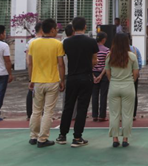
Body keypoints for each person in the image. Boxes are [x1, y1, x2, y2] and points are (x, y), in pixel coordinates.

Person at [56, 17, 99, 148]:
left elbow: (63, 61)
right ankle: (77, 137)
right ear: (85, 27)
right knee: (82, 108)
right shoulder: (91, 41)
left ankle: (62, 135)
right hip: (86, 77)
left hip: (72, 77)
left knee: (68, 106)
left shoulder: (66, 42)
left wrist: (62, 80)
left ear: (73, 28)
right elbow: (95, 60)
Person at [28, 18, 65, 148]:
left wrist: (31, 80)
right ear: (53, 29)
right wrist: (62, 80)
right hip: (52, 81)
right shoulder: (58, 44)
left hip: (37, 81)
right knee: (48, 111)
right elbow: (61, 64)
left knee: (36, 110)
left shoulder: (33, 43)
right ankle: (43, 139)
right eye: (56, 28)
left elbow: (30, 63)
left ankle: (33, 136)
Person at [106, 33, 139, 147]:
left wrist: (113, 81)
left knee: (114, 114)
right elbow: (136, 73)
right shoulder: (132, 56)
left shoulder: (110, 56)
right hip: (128, 86)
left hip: (114, 85)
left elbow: (108, 73)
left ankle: (115, 139)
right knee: (127, 114)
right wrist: (130, 81)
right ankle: (125, 139)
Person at [25, 22, 43, 120]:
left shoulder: (30, 42)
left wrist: (30, 76)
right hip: (43, 71)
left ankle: (30, 114)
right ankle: (41, 113)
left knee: (31, 91)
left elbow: (28, 60)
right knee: (42, 93)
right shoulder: (45, 41)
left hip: (34, 70)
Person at [92, 32, 110, 122]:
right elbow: (107, 65)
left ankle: (94, 115)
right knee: (103, 95)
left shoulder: (92, 50)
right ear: (103, 39)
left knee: (94, 95)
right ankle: (102, 116)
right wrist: (101, 75)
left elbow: (89, 63)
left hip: (93, 73)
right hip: (103, 74)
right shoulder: (107, 50)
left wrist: (93, 76)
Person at [129, 37, 143, 120]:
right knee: (133, 94)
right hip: (133, 76)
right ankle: (133, 114)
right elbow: (140, 63)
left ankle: (122, 114)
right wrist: (136, 73)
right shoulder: (135, 49)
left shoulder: (116, 51)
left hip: (121, 77)